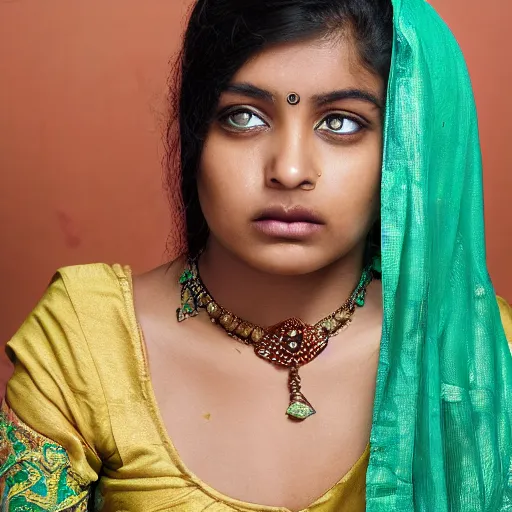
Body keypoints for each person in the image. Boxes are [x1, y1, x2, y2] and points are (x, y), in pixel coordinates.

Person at [1, 0, 511, 510]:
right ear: (196, 134)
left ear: (405, 149)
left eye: (341, 123)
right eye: (244, 117)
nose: (289, 171)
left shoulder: (478, 352)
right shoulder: (90, 342)